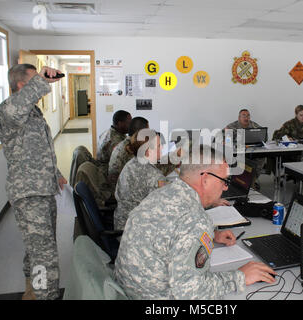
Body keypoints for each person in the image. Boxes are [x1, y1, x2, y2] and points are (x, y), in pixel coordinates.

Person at [114, 145, 276, 299]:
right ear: (205, 179)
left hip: (127, 290)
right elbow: (191, 292)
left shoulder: (163, 193)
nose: (225, 188)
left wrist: (212, 235)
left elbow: (171, 234)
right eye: (224, 181)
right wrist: (240, 277)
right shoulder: (195, 220)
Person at [0, 64, 67, 300]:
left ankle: (32, 292)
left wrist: (56, 173)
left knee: (37, 249)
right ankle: (46, 296)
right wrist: (41, 80)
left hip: (43, 189)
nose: (42, 83)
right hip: (28, 194)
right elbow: (16, 111)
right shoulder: (8, 110)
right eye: (35, 79)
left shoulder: (33, 113)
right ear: (22, 86)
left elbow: (38, 150)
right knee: (44, 257)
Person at [113, 129, 167, 230]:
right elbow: (165, 208)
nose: (163, 147)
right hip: (136, 232)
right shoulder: (154, 176)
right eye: (159, 146)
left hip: (122, 223)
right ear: (147, 151)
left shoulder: (132, 163)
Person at [225, 108, 265, 188]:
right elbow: (223, 137)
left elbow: (263, 135)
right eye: (244, 116)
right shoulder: (232, 126)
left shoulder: (254, 125)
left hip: (251, 150)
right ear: (239, 117)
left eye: (248, 116)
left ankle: (252, 180)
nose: (246, 118)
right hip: (237, 152)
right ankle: (235, 181)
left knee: (262, 157)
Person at [108, 117, 150, 190]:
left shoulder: (127, 143)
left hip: (121, 187)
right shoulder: (131, 148)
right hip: (119, 191)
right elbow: (146, 173)